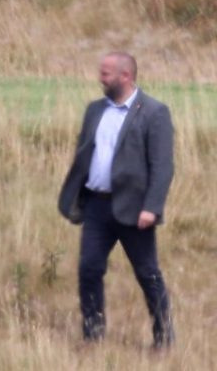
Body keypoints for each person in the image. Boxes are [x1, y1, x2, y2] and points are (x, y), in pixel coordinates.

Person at [57, 52, 175, 348]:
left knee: (147, 274)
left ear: (126, 76)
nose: (101, 77)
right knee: (89, 269)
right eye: (101, 72)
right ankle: (92, 335)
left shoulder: (153, 112)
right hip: (97, 206)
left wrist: (152, 207)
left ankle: (163, 338)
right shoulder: (95, 110)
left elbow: (162, 166)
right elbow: (85, 153)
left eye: (106, 73)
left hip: (134, 210)